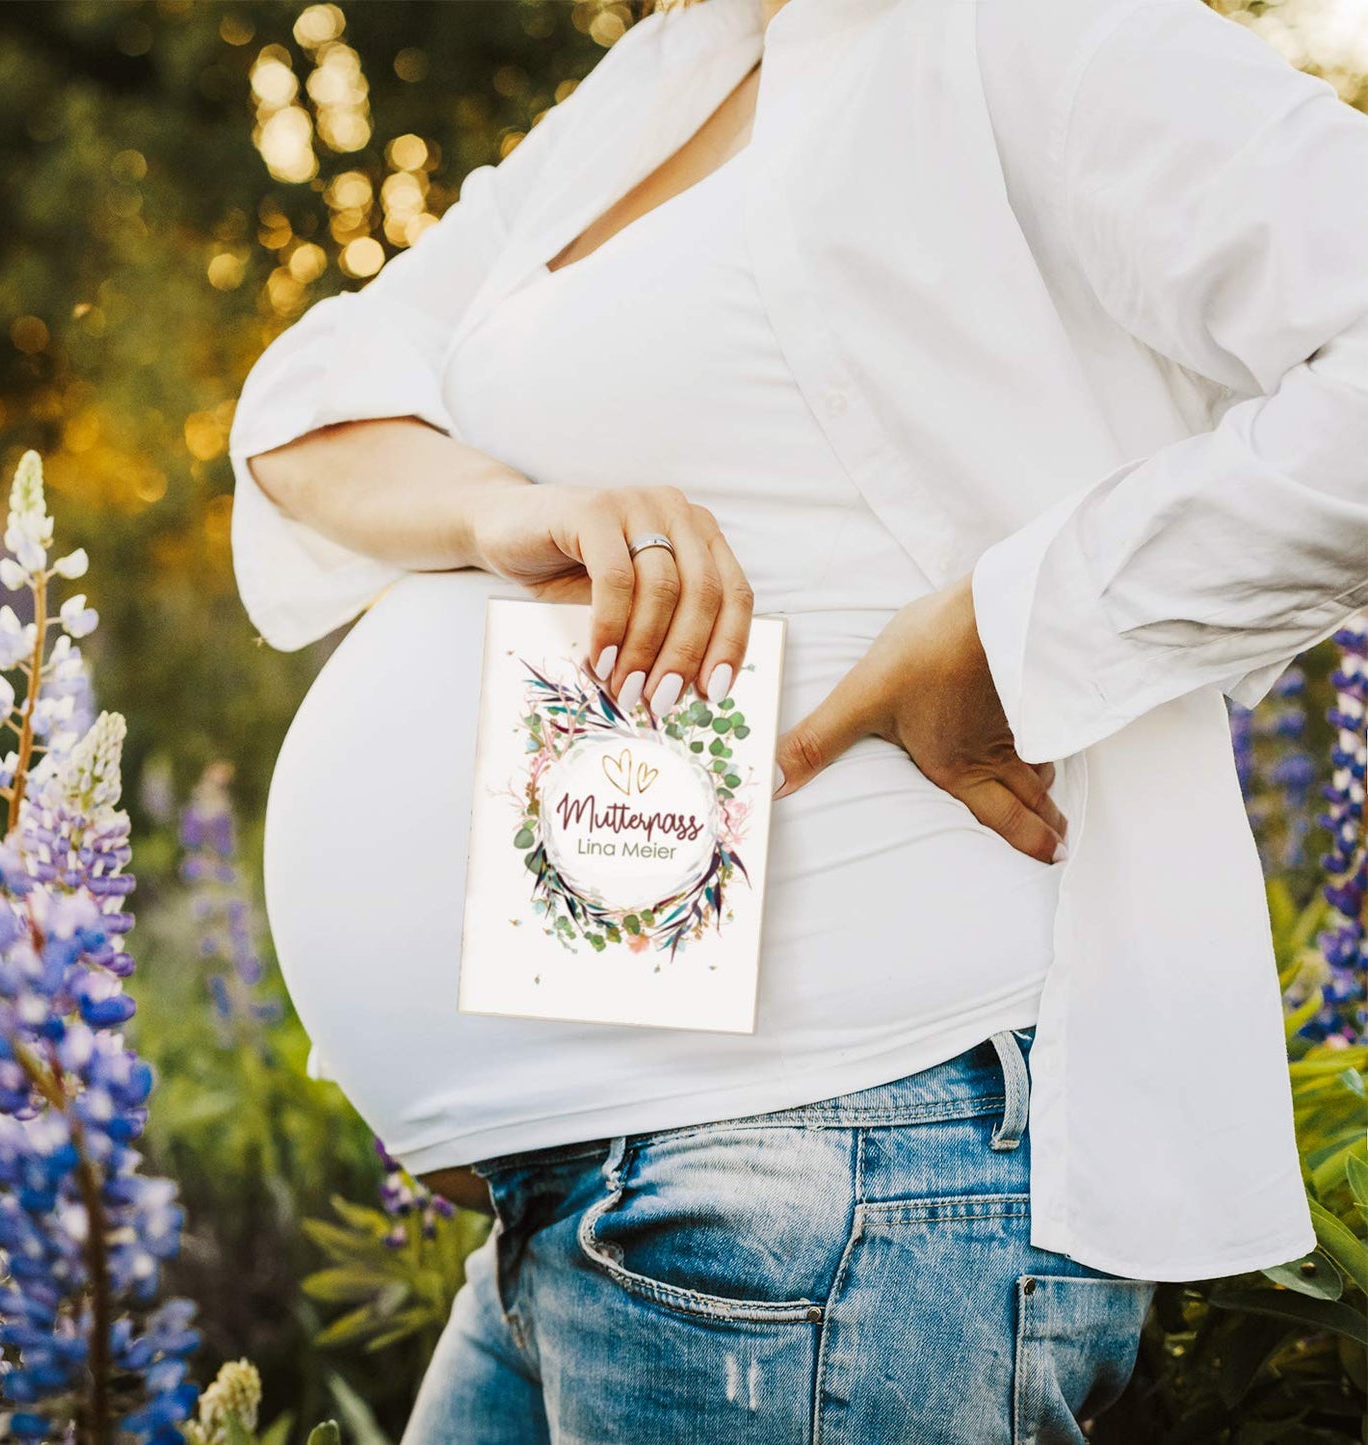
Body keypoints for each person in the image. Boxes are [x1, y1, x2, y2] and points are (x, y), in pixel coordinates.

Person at [227, 0, 1368, 1437]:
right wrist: (503, 505)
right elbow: (308, 399)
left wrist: (1017, 631)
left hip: (828, 1177)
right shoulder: (663, 83)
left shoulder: (1035, 31)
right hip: (603, 1190)